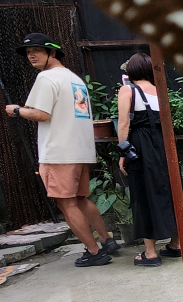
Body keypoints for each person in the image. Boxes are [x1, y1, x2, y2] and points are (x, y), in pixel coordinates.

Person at [6, 33, 120, 267]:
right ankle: (107, 239)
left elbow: (41, 113)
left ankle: (94, 251)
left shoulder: (46, 78)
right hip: (80, 149)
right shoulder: (74, 79)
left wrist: (17, 110)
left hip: (59, 151)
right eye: (28, 53)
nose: (31, 56)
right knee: (80, 198)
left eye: (36, 51)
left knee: (66, 203)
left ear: (52, 52)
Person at [116, 53, 180, 266]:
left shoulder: (128, 90)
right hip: (165, 145)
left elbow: (123, 123)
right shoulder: (161, 91)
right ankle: (176, 244)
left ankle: (151, 253)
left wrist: (123, 151)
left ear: (131, 71)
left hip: (142, 146)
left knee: (143, 192)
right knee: (170, 189)